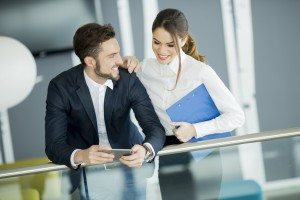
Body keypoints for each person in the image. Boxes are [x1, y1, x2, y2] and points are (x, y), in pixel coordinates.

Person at [125, 8, 245, 200]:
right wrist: (128, 60)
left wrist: (195, 130)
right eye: (156, 42)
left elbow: (237, 117)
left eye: (170, 45)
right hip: (169, 152)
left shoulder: (200, 72)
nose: (161, 51)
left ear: (183, 40)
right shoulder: (145, 69)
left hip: (204, 153)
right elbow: (126, 69)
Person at [45, 23, 166, 170]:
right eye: (112, 56)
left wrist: (145, 150)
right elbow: (53, 145)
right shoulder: (60, 87)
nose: (120, 61)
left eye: (118, 53)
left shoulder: (128, 79)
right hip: (86, 172)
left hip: (130, 165)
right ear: (90, 61)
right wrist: (82, 156)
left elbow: (154, 128)